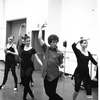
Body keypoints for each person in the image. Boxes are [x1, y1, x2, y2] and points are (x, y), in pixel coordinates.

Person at [38, 23, 64, 100]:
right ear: (50, 42)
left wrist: (61, 65)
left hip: (54, 75)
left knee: (52, 93)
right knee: (48, 92)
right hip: (46, 74)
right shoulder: (46, 49)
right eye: (53, 42)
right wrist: (40, 28)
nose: (55, 44)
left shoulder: (59, 53)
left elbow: (60, 63)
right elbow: (39, 39)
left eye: (56, 42)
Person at [20, 35, 42, 100]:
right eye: (27, 41)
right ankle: (31, 94)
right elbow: (19, 36)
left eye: (29, 41)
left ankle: (24, 98)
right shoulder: (22, 47)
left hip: (29, 66)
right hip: (23, 65)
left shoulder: (32, 49)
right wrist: (21, 28)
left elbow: (37, 59)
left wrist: (42, 65)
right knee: (24, 83)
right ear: (24, 41)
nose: (29, 42)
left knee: (26, 81)